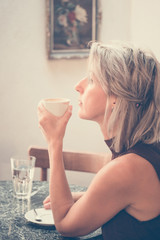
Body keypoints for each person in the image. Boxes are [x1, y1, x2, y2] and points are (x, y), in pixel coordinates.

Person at [38, 41, 160, 240]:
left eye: (92, 79)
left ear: (116, 97)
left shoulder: (127, 168)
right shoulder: (141, 150)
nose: (78, 86)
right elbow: (125, 197)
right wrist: (86, 197)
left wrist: (54, 141)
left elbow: (66, 225)